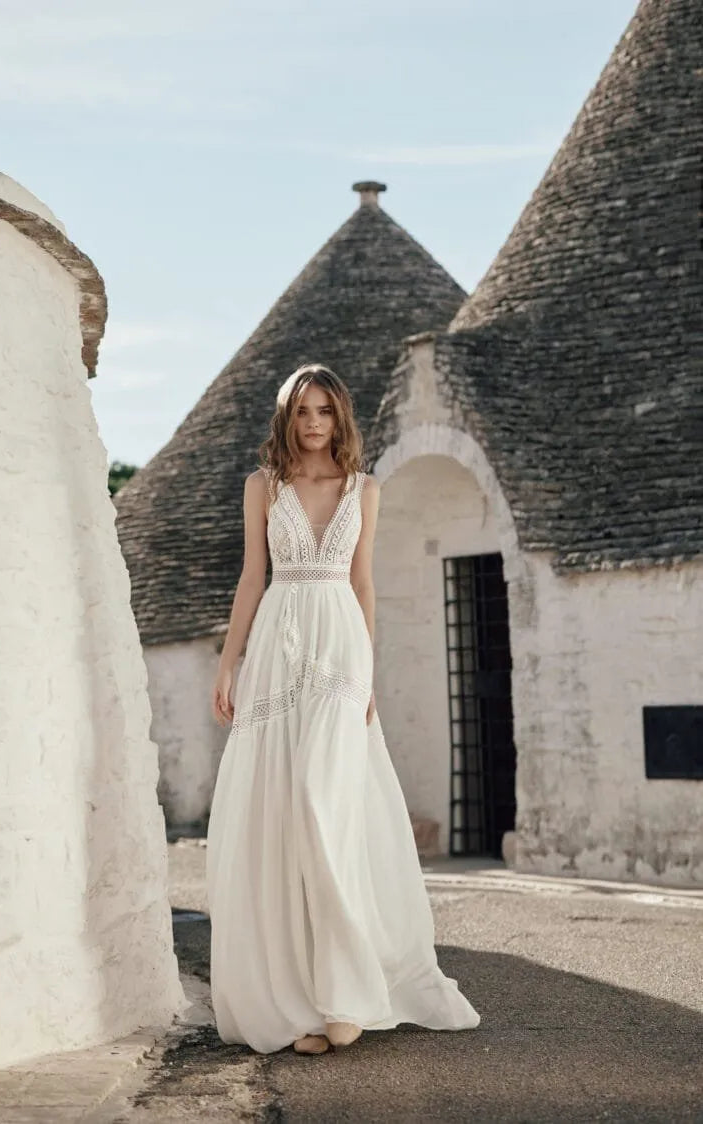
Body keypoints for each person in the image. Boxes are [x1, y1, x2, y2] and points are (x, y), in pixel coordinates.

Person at [207, 362, 481, 1056]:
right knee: (278, 808)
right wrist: (228, 660)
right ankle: (304, 999)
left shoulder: (366, 489)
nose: (313, 423)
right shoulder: (262, 488)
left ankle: (351, 988)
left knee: (318, 797)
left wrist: (369, 672)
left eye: (325, 411)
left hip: (339, 649)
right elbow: (251, 577)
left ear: (340, 417)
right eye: (302, 411)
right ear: (286, 418)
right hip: (277, 644)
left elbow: (363, 583)